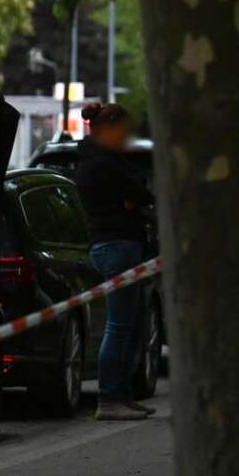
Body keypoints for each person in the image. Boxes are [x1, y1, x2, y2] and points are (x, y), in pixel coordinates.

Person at [72, 102, 156, 421]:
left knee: (130, 323)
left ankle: (121, 394)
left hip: (119, 243)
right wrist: (132, 199)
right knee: (119, 325)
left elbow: (137, 194)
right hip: (115, 245)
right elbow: (139, 191)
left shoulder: (101, 160)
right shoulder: (102, 163)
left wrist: (133, 199)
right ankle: (109, 397)